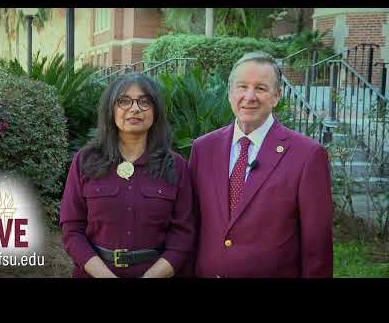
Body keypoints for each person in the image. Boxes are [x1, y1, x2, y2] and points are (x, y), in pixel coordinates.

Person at [189, 51, 333, 278]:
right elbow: (191, 225)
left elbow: (317, 246)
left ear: (276, 96)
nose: (249, 96)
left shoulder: (307, 155)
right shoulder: (203, 149)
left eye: (261, 88)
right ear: (230, 93)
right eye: (242, 86)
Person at [60, 73, 196, 278]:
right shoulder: (85, 161)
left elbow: (183, 235)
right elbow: (72, 230)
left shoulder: (176, 166)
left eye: (144, 102)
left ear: (155, 111)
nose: (134, 108)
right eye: (124, 101)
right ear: (111, 110)